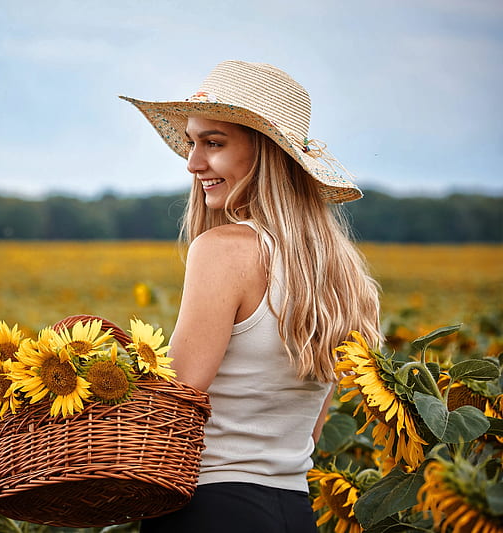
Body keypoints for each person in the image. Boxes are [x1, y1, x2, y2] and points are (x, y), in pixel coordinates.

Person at [120, 61, 383, 532]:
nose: (193, 163)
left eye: (213, 143)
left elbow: (176, 400)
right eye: (191, 142)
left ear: (266, 153)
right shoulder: (342, 274)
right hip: (292, 510)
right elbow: (313, 429)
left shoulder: (222, 251)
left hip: (208, 507)